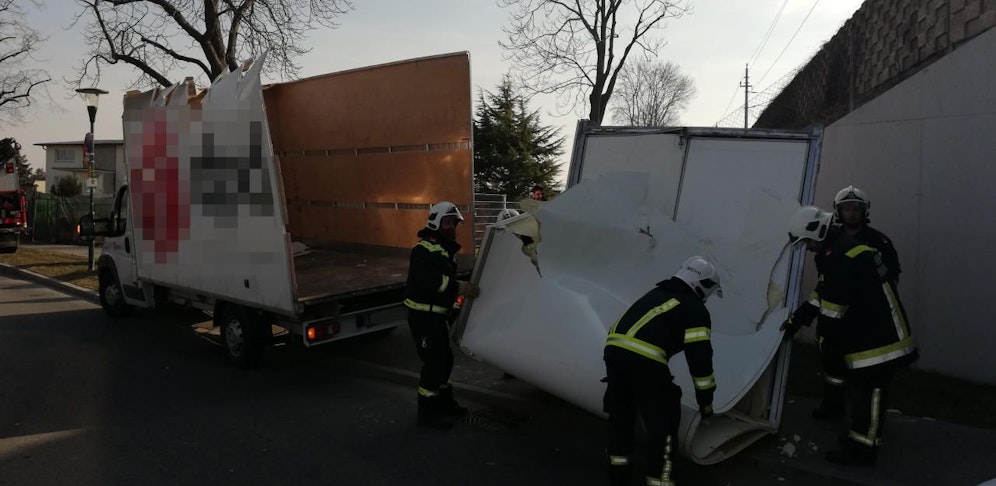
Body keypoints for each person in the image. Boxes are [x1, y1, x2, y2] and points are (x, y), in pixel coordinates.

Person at [781, 206, 918, 466]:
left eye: (808, 241)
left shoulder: (842, 256)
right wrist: (798, 319)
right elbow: (823, 291)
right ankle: (857, 439)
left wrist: (826, 342)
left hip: (880, 340)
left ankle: (864, 451)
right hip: (870, 331)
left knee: (870, 394)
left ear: (818, 231)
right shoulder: (839, 250)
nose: (808, 248)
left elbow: (832, 311)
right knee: (861, 391)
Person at [603, 256, 721, 486]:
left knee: (621, 414)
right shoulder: (694, 308)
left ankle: (618, 472)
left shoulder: (657, 294)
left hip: (613, 352)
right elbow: (700, 362)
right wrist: (706, 403)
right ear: (703, 285)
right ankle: (660, 479)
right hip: (643, 359)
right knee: (664, 422)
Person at [404, 201, 481, 430]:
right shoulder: (423, 249)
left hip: (436, 317)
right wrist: (457, 287)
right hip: (423, 317)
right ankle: (427, 415)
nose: (451, 227)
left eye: (454, 223)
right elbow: (427, 281)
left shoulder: (445, 250)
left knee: (445, 360)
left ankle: (445, 404)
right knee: (434, 364)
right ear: (435, 222)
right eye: (447, 222)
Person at [833, 186, 901, 283]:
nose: (851, 214)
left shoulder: (879, 241)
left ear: (864, 211)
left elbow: (893, 274)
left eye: (856, 209)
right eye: (847, 209)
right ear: (839, 212)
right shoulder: (832, 239)